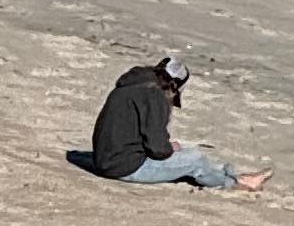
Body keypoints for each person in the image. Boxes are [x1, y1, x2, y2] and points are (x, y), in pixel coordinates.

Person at [87, 52, 268, 193]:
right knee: (195, 159)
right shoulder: (154, 95)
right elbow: (157, 149)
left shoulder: (132, 85)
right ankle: (235, 183)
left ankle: (232, 175)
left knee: (186, 151)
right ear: (173, 86)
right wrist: (168, 148)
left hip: (105, 158)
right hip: (123, 167)